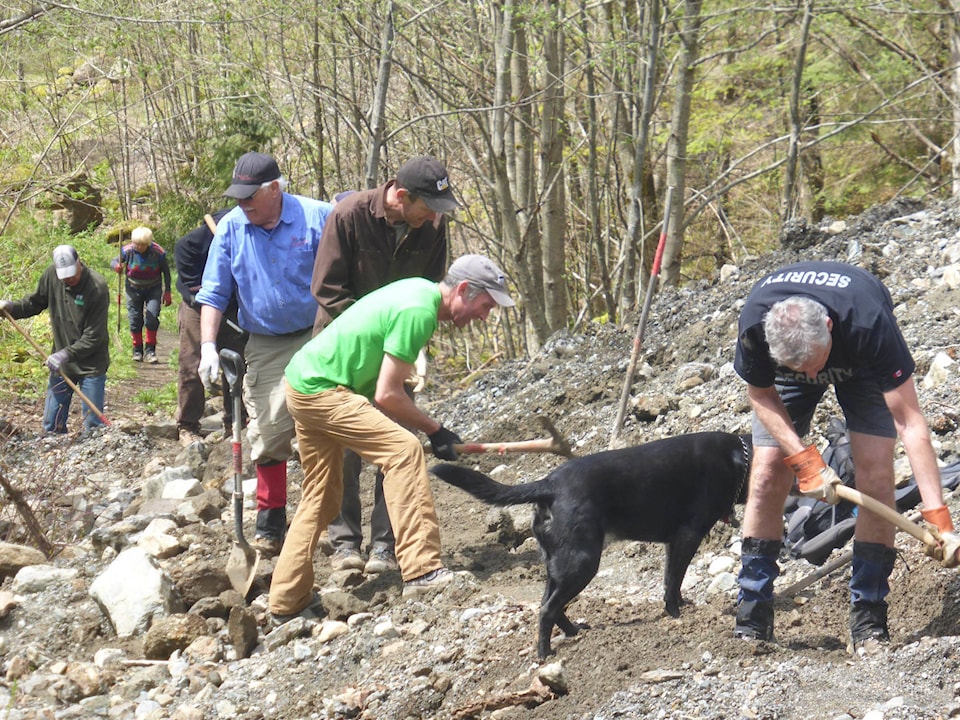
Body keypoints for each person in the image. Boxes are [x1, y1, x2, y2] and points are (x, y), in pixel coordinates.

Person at [269, 254, 515, 621]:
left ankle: (287, 601)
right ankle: (424, 570)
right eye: (485, 305)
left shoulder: (416, 293)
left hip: (302, 382)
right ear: (463, 290)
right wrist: (436, 430)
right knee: (403, 450)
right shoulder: (419, 310)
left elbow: (382, 392)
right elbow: (387, 393)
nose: (485, 315)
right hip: (323, 389)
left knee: (324, 492)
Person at [733, 260, 960, 651]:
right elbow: (760, 395)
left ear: (828, 327)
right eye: (798, 367)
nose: (810, 374)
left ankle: (868, 619)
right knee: (768, 473)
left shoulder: (869, 323)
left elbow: (909, 422)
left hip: (860, 366)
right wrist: (805, 461)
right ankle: (752, 616)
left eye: (814, 365)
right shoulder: (756, 324)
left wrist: (939, 518)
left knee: (874, 475)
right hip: (784, 375)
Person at [311, 156, 455, 575]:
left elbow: (430, 287)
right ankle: (344, 543)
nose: (433, 217)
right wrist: (376, 336)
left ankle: (384, 546)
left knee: (396, 441)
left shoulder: (432, 224)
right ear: (401, 195)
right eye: (427, 207)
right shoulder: (349, 214)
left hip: (396, 349)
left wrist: (413, 343)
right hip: (342, 346)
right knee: (344, 448)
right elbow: (327, 288)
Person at [196, 151, 332, 557]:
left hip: (320, 335)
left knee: (324, 428)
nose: (243, 204)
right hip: (267, 341)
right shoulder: (231, 230)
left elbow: (346, 277)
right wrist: (207, 345)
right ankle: (271, 522)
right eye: (237, 197)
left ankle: (323, 518)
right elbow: (214, 292)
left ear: (275, 189)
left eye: (250, 196)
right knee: (270, 433)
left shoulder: (318, 218)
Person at [0, 245, 110, 434]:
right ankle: (56, 457)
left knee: (94, 428)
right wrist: (11, 307)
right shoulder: (52, 275)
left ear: (79, 263)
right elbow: (35, 303)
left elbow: (94, 336)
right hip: (61, 365)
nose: (68, 279)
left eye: (71, 275)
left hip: (91, 365)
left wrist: (66, 354)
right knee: (52, 426)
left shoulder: (97, 287)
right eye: (64, 276)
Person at [173, 209, 248, 447]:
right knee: (193, 363)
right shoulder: (190, 245)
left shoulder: (247, 237)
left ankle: (236, 421)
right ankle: (187, 425)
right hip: (198, 305)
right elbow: (191, 286)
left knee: (237, 364)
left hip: (234, 306)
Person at [110, 226, 172, 363]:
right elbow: (114, 261)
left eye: (143, 245)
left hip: (153, 288)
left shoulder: (158, 252)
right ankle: (137, 350)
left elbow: (166, 273)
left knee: (152, 317)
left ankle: (150, 350)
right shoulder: (128, 250)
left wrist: (167, 291)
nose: (139, 247)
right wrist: (116, 266)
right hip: (133, 288)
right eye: (137, 244)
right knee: (135, 318)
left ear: (148, 243)